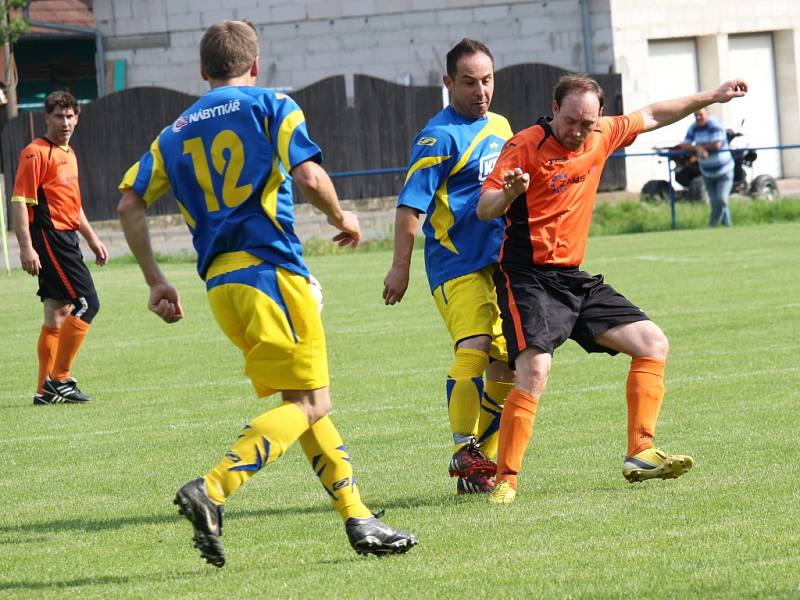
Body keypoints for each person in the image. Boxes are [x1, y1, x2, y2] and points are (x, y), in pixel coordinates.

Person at [117, 20, 416, 567]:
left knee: (302, 403)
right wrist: (341, 214)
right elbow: (308, 176)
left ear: (203, 72)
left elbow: (128, 204)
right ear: (256, 64)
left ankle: (358, 516)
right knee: (311, 401)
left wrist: (156, 279)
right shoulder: (272, 105)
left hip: (222, 287)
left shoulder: (173, 133)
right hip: (271, 274)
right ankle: (211, 489)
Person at [477, 74, 748, 504]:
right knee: (535, 369)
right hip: (527, 276)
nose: (578, 132)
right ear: (555, 108)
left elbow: (655, 113)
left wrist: (712, 96)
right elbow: (484, 207)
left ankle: (640, 451)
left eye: (587, 123)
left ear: (598, 117)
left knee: (652, 342)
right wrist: (508, 195)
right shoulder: (524, 145)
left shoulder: (602, 134)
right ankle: (505, 479)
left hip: (573, 277)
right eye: (570, 121)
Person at [382, 39, 515, 495]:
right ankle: (464, 448)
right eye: (469, 82)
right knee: (475, 345)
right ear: (448, 83)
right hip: (455, 264)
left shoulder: (501, 126)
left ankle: (481, 468)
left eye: (487, 80)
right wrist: (400, 267)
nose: (480, 91)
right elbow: (409, 208)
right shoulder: (436, 137)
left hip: (500, 265)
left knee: (509, 366)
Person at [11, 90, 108, 405]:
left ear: (77, 118)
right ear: (46, 118)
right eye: (58, 116)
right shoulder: (34, 153)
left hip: (68, 238)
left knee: (58, 312)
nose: (64, 122)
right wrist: (26, 247)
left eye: (70, 116)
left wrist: (93, 240)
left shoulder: (69, 153)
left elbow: (74, 206)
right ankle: (60, 378)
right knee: (87, 303)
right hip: (50, 238)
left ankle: (44, 390)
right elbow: (20, 204)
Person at [679, 108, 734, 226]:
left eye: (700, 115)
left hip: (724, 170)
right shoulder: (694, 127)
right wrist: (698, 148)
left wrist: (702, 148)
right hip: (707, 172)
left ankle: (715, 225)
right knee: (715, 202)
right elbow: (685, 145)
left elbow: (717, 144)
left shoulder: (714, 124)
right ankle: (724, 226)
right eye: (695, 115)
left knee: (722, 199)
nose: (698, 117)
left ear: (708, 114)